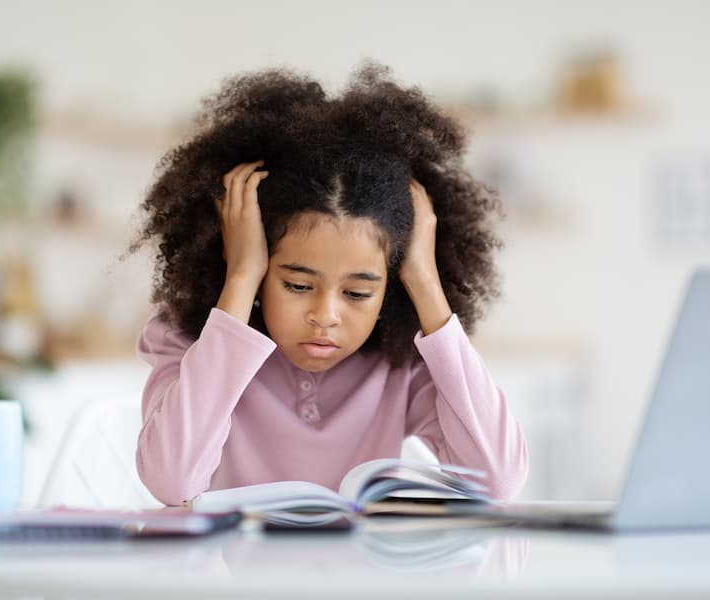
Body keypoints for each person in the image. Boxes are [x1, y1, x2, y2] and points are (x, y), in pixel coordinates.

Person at [132, 63, 528, 506]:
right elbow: (171, 482)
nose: (325, 315)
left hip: (361, 575)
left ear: (389, 290)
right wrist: (240, 277)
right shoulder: (191, 343)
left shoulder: (400, 363)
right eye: (298, 285)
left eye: (358, 293)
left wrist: (424, 279)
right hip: (233, 574)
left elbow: (498, 482)